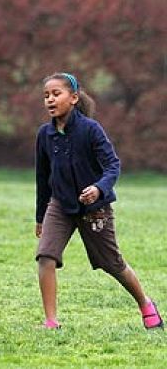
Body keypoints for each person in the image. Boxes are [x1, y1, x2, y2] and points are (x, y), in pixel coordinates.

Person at [35, 72, 163, 330]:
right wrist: (40, 216)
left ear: (73, 98)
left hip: (94, 208)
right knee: (45, 257)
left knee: (111, 264)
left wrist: (98, 189)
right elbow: (42, 176)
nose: (50, 99)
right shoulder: (44, 134)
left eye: (56, 94)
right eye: (46, 95)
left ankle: (145, 304)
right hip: (60, 205)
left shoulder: (90, 130)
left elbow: (113, 166)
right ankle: (51, 321)